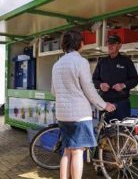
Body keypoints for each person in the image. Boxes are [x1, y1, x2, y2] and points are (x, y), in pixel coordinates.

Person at [51, 30, 116, 179]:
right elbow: (89, 90)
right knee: (78, 152)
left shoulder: (57, 64)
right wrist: (104, 105)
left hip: (62, 115)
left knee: (67, 151)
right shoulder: (81, 62)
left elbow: (54, 91)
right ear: (80, 44)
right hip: (79, 115)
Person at [92, 34, 138, 123]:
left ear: (119, 45)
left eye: (113, 44)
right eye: (109, 44)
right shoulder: (102, 62)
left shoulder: (126, 61)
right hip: (105, 103)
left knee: (122, 131)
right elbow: (94, 80)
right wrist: (100, 85)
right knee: (105, 132)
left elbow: (135, 79)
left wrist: (123, 85)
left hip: (121, 103)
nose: (110, 46)